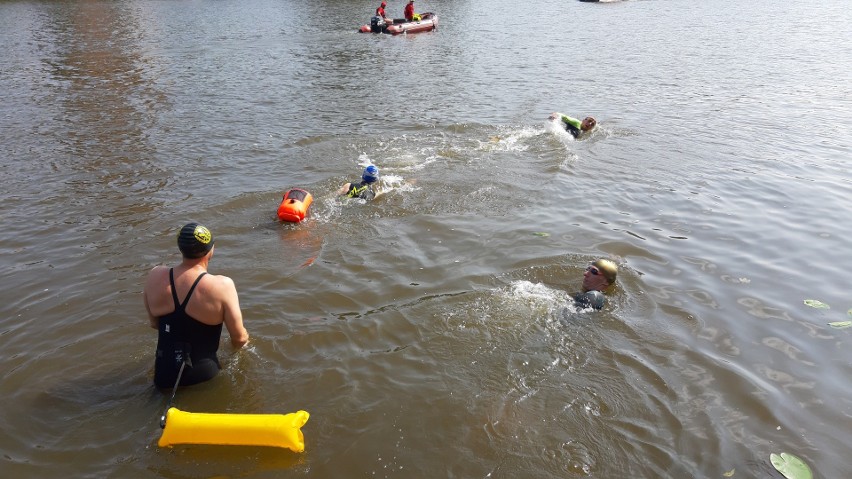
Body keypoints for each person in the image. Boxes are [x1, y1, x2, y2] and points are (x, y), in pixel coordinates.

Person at [143, 222, 249, 389]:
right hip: (205, 377)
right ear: (210, 250)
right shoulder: (222, 285)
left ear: (180, 248)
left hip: (163, 375)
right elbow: (240, 338)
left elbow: (154, 323)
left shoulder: (155, 276)